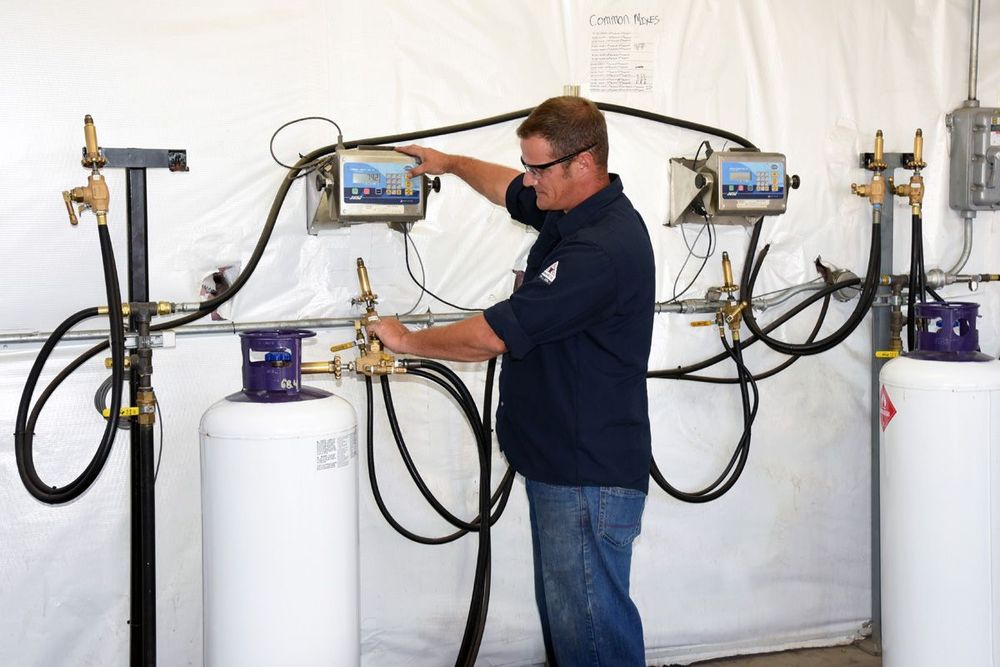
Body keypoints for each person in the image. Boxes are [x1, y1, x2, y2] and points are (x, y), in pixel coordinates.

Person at [369, 96, 655, 666]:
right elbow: (509, 190)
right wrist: (448, 164)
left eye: (538, 168)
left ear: (583, 162)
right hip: (562, 465)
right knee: (574, 635)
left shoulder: (599, 249)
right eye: (526, 164)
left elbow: (496, 335)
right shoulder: (573, 208)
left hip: (585, 474)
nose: (528, 179)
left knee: (593, 639)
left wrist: (407, 342)